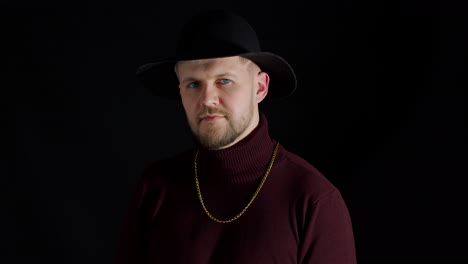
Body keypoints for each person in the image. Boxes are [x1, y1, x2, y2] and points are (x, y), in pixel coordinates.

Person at [115, 9, 357, 264]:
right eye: (193, 84)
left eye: (224, 81)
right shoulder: (155, 188)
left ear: (260, 87)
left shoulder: (313, 200)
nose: (207, 99)